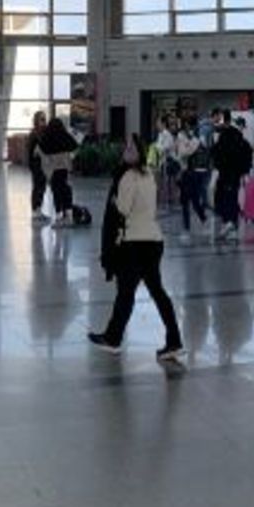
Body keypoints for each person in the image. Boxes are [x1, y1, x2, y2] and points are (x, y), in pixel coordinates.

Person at [88, 147, 184, 362]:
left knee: (126, 292)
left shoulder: (128, 176)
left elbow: (123, 208)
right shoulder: (148, 174)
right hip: (154, 240)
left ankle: (113, 339)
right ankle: (174, 340)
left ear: (137, 153)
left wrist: (114, 200)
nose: (126, 150)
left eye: (130, 148)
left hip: (134, 242)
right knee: (156, 292)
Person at [210, 113, 251, 240]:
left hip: (227, 172)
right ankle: (232, 223)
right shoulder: (237, 136)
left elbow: (217, 152)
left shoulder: (226, 135)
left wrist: (217, 163)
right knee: (231, 195)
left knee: (226, 196)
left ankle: (229, 222)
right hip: (234, 172)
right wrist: (245, 171)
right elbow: (247, 152)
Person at [38, 114, 79, 225]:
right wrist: (69, 156)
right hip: (64, 167)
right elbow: (74, 145)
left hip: (53, 168)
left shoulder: (47, 137)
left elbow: (42, 148)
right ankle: (68, 214)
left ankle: (59, 215)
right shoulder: (64, 135)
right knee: (64, 189)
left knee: (56, 190)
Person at [175, 120, 208, 235]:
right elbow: (182, 153)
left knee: (194, 201)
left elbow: (187, 152)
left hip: (193, 173)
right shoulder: (181, 137)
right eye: (189, 127)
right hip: (185, 172)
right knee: (186, 202)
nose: (190, 129)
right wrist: (192, 144)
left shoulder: (195, 138)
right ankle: (187, 227)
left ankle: (203, 220)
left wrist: (191, 144)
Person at [25, 109, 49, 221]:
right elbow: (31, 152)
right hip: (37, 165)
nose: (44, 122)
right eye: (42, 119)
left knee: (42, 187)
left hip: (43, 165)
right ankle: (35, 210)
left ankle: (39, 209)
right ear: (36, 121)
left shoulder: (43, 133)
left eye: (45, 119)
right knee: (38, 187)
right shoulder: (34, 134)